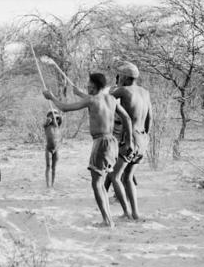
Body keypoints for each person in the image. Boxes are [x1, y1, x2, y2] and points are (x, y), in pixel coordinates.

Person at [43, 73, 134, 228]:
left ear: (94, 85)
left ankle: (107, 221)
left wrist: (51, 97)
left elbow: (64, 108)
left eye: (89, 84)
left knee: (97, 184)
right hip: (113, 142)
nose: (87, 86)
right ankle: (113, 217)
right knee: (103, 180)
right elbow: (127, 118)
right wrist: (130, 142)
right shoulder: (111, 99)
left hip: (101, 143)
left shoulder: (91, 100)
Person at [109, 62, 152, 220]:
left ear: (125, 77)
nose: (118, 79)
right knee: (128, 177)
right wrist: (145, 136)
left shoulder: (123, 90)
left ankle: (126, 212)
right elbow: (150, 118)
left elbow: (104, 101)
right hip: (143, 138)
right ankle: (135, 213)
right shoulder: (145, 92)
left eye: (120, 76)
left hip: (130, 138)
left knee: (115, 176)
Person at [104, 74, 137, 193]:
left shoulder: (127, 92)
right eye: (121, 79)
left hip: (124, 130)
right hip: (115, 129)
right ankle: (108, 191)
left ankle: (108, 191)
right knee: (115, 165)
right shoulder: (113, 91)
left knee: (118, 166)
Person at [44, 109, 62, 188]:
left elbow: (60, 118)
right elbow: (46, 122)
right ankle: (48, 185)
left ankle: (52, 184)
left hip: (56, 149)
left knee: (54, 167)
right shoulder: (47, 125)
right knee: (48, 166)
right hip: (48, 148)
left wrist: (56, 117)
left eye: (56, 118)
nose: (55, 119)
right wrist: (50, 118)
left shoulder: (58, 125)